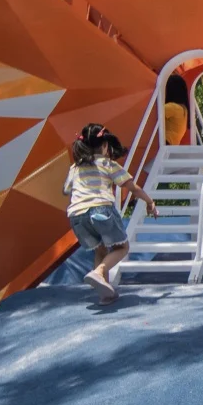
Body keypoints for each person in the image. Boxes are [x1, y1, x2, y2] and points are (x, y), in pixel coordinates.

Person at [65, 125, 150, 302]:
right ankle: (99, 272)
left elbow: (66, 190)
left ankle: (105, 294)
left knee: (101, 250)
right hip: (100, 209)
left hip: (76, 216)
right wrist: (150, 202)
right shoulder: (108, 164)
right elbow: (132, 187)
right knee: (122, 247)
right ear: (104, 145)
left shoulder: (75, 167)